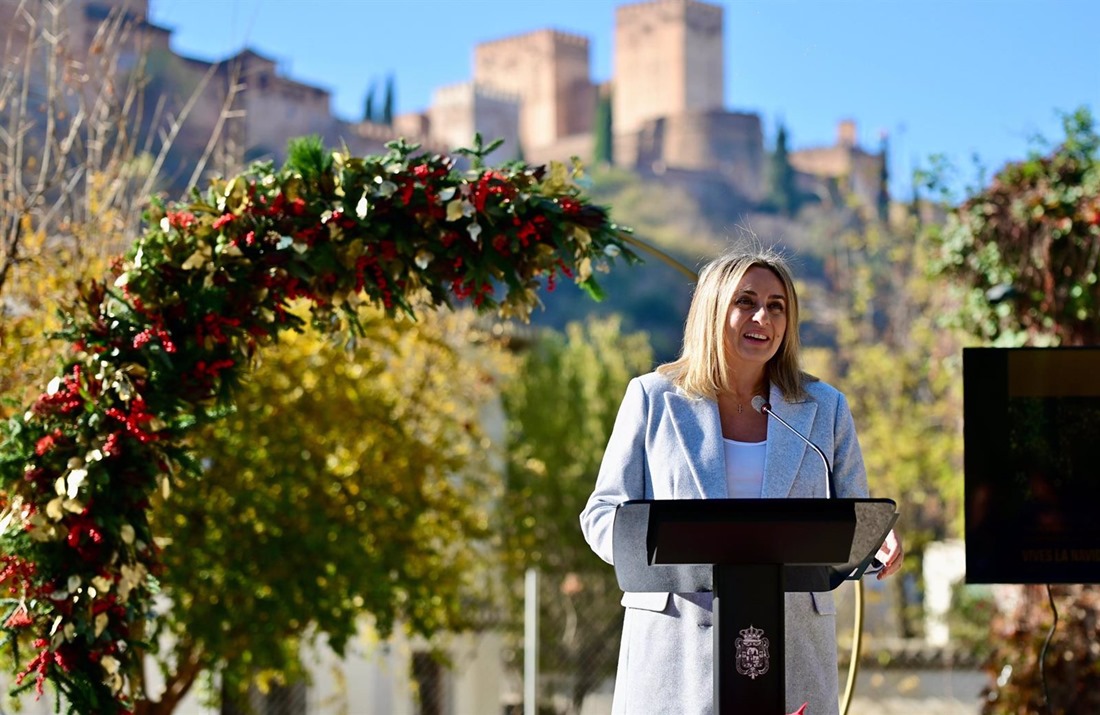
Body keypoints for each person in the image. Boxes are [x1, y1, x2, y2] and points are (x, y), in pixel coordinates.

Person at [580, 248, 903, 715]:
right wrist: (650, 552)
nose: (762, 317)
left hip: (791, 653)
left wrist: (880, 542)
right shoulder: (652, 398)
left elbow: (855, 517)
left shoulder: (825, 407)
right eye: (745, 301)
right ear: (713, 309)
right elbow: (602, 514)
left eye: (777, 306)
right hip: (675, 653)